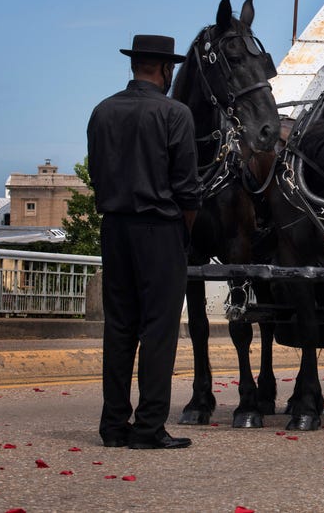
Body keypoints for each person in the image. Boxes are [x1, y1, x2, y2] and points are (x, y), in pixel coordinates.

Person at [87, 34, 201, 450]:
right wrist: (182, 232)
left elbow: (97, 175)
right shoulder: (175, 114)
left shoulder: (102, 111)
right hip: (159, 228)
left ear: (135, 65)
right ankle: (150, 426)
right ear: (165, 69)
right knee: (158, 329)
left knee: (119, 326)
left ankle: (113, 425)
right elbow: (187, 189)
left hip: (113, 227)